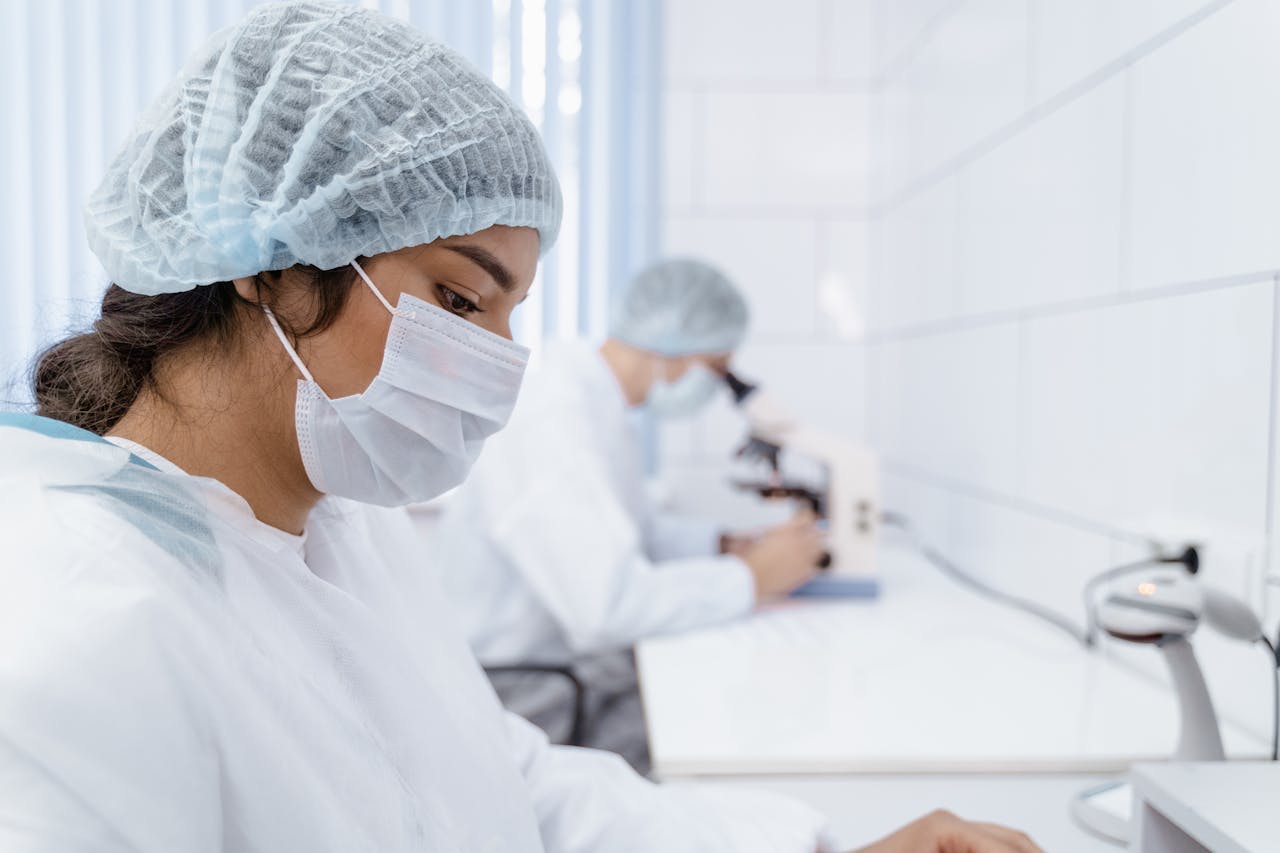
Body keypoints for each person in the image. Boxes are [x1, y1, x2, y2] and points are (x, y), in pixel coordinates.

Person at [0, 4, 1042, 852]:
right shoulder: (75, 634)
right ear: (268, 258)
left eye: (509, 315)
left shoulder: (340, 529)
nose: (500, 363)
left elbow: (504, 788)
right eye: (460, 301)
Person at [433, 257, 825, 771]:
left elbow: (634, 533)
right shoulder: (552, 417)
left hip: (564, 664)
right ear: (676, 347)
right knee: (724, 732)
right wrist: (750, 580)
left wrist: (727, 546)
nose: (712, 389)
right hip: (529, 690)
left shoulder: (599, 407)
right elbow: (606, 609)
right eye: (717, 370)